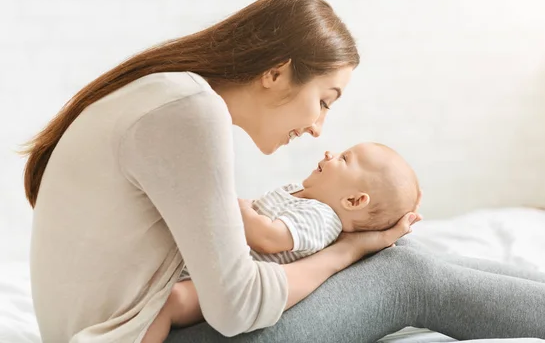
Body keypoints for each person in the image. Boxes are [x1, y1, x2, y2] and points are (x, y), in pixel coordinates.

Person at [23, 0, 545, 343]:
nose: (320, 128)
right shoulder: (187, 110)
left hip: (123, 327)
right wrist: (350, 249)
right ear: (277, 72)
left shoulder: (170, 97)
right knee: (407, 278)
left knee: (408, 257)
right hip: (138, 336)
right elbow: (237, 307)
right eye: (325, 98)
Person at [143, 142, 421, 342]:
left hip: (227, 283)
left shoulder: (321, 218)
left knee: (166, 304)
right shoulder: (297, 191)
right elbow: (258, 211)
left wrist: (240, 209)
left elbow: (268, 239)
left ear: (354, 200)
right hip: (207, 263)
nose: (330, 153)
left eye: (344, 159)